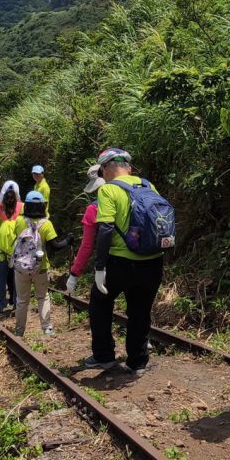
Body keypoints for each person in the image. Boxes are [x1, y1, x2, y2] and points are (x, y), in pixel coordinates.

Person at [83, 148, 166, 376]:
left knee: (99, 304)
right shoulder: (148, 185)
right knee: (140, 310)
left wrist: (100, 266)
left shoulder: (108, 189)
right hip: (153, 261)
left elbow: (106, 228)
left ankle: (104, 356)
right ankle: (137, 362)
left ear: (106, 169)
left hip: (120, 262)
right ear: (128, 168)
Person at [4, 190, 72, 337]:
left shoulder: (20, 221)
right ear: (42, 206)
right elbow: (55, 246)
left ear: (26, 206)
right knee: (43, 297)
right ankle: (47, 328)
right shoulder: (46, 224)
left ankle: (19, 330)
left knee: (22, 300)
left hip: (21, 268)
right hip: (40, 267)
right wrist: (67, 241)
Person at [66, 163, 105, 296]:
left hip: (109, 264)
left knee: (98, 309)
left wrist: (74, 273)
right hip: (142, 260)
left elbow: (87, 246)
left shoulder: (93, 208)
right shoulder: (128, 197)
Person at [0, 181, 22, 314]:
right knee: (18, 277)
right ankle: (17, 304)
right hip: (17, 244)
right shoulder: (22, 206)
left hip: (1, 244)